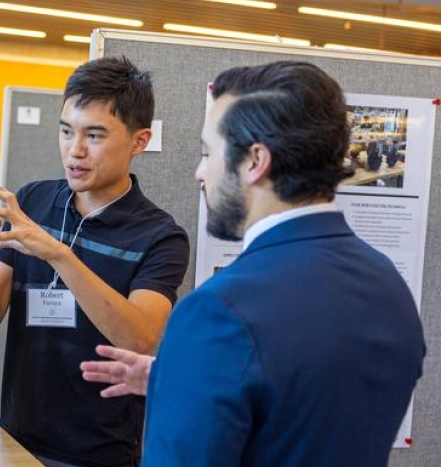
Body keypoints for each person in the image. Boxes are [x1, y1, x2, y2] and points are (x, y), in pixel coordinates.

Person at [80, 61, 425, 467]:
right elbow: (311, 404)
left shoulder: (219, 311)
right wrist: (187, 379)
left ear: (255, 161)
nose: (200, 173)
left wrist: (196, 375)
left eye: (208, 153)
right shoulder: (388, 284)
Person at [0, 57, 189, 467]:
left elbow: (138, 338)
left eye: (94, 135)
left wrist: (58, 254)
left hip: (99, 453)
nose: (75, 151)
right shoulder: (34, 201)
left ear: (139, 141)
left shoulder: (160, 235)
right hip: (18, 435)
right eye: (66, 131)